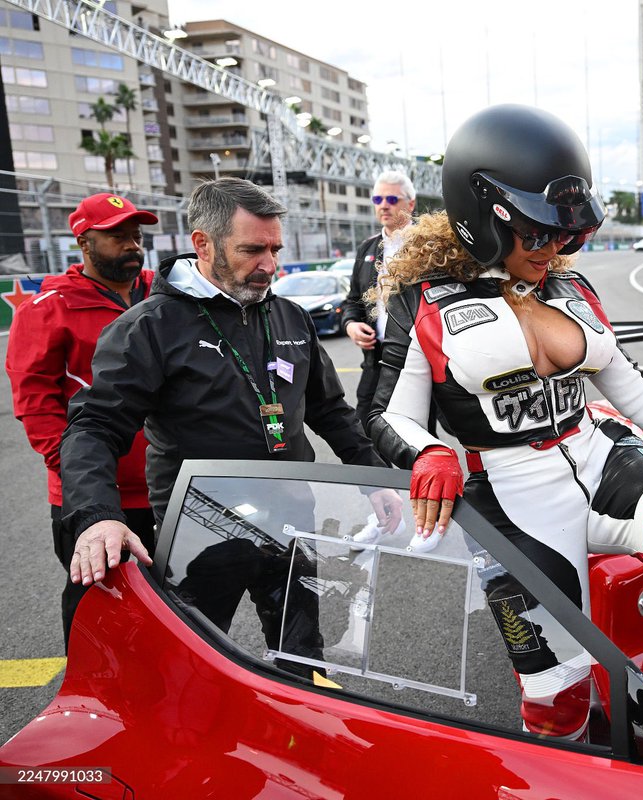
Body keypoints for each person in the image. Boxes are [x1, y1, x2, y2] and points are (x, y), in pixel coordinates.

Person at [367, 105, 643, 792]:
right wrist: (428, 452)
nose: (554, 245)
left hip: (600, 458)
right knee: (559, 695)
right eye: (537, 230)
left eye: (567, 231)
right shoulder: (421, 301)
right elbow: (386, 414)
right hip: (512, 495)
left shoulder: (572, 287)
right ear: (480, 213)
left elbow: (632, 389)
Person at [60, 177, 401, 589]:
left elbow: (329, 409)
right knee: (193, 630)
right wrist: (97, 515)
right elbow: (94, 426)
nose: (269, 265)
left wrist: (374, 479)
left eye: (275, 250)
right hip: (198, 520)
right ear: (203, 245)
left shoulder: (290, 316)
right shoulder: (149, 326)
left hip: (289, 512)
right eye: (252, 250)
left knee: (299, 628)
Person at [6, 193, 159, 646]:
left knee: (172, 608)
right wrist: (80, 476)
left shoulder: (164, 293)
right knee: (101, 609)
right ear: (84, 242)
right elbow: (36, 405)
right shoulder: (48, 307)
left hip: (170, 485)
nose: (132, 245)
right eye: (117, 236)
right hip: (99, 495)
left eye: (136, 235)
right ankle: (90, 686)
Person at [343, 170, 418, 431]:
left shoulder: (428, 244)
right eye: (378, 199)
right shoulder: (368, 247)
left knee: (417, 434)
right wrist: (351, 324)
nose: (383, 205)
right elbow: (353, 300)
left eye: (392, 199)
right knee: (365, 428)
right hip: (376, 359)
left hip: (417, 358)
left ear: (411, 204)